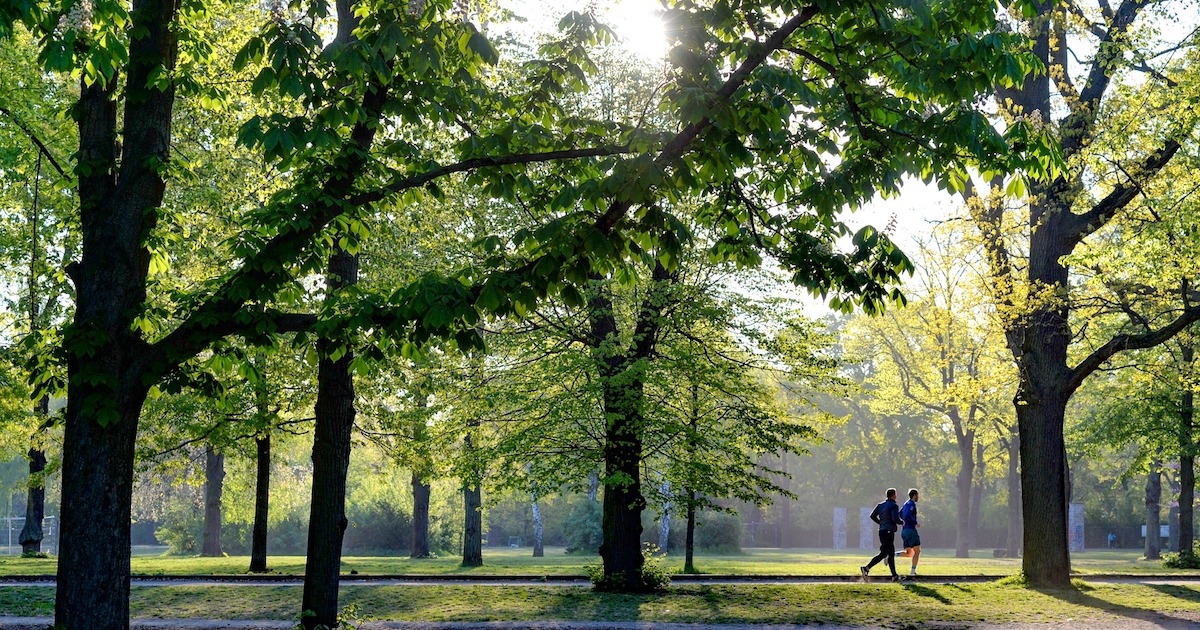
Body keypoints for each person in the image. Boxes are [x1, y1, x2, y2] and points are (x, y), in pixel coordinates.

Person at [861, 488, 905, 582]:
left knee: (891, 553)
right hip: (889, 531)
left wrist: (880, 523)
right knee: (884, 553)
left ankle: (894, 576)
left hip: (882, 531)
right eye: (895, 494)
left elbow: (872, 515)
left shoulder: (880, 505)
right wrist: (902, 522)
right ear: (893, 495)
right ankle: (866, 568)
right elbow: (895, 519)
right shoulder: (893, 505)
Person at [896, 488, 921, 577]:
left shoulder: (905, 504)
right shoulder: (911, 504)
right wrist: (915, 523)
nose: (918, 497)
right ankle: (912, 572)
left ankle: (891, 555)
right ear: (914, 495)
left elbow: (899, 514)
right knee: (917, 552)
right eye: (917, 495)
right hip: (911, 530)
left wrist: (902, 523)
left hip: (904, 531)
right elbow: (907, 515)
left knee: (909, 553)